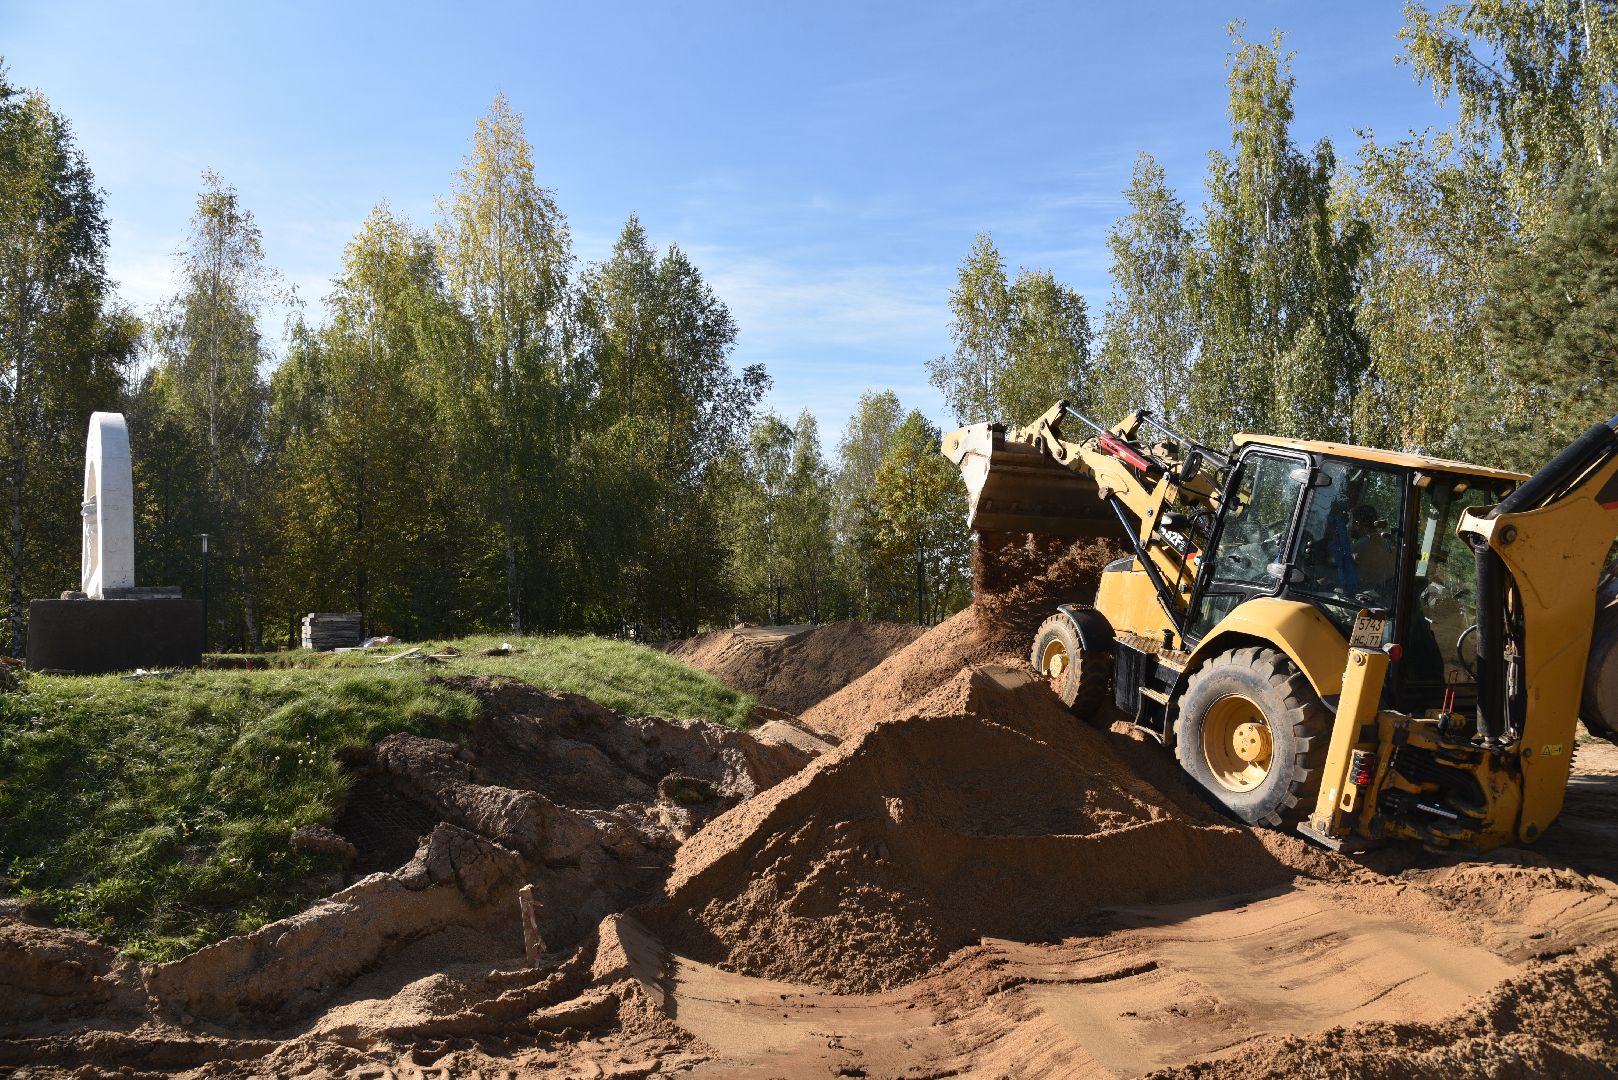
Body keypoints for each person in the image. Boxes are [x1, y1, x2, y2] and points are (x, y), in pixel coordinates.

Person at [1351, 504, 1396, 590]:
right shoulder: (1386, 544)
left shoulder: (1359, 547)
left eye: (1350, 521)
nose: (1348, 525)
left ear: (1357, 524)